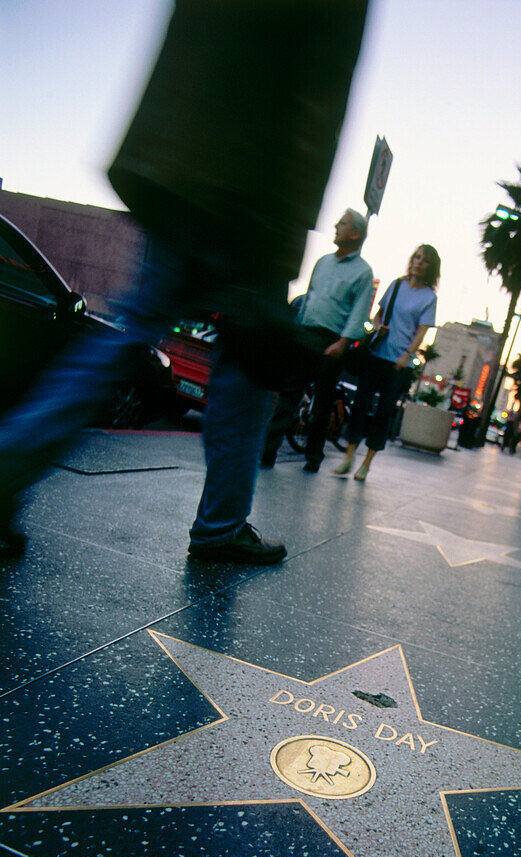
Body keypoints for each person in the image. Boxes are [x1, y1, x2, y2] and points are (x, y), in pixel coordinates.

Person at [0, 0, 369, 561]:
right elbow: (318, 95)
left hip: (177, 157)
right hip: (250, 191)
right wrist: (282, 234)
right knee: (246, 368)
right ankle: (221, 524)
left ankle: (9, 460)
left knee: (130, 329)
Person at [261, 209, 373, 473]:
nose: (336, 226)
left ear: (355, 233)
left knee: (322, 404)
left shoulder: (363, 273)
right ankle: (267, 452)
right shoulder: (323, 262)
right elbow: (309, 299)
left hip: (332, 342)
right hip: (305, 335)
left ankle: (313, 457)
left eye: (342, 224)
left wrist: (342, 343)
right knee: (289, 395)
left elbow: (359, 312)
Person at [334, 244, 440, 481]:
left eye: (424, 261)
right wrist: (377, 325)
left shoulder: (429, 297)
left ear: (431, 268)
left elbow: (422, 332)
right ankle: (348, 457)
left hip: (399, 363)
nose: (419, 263)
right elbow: (378, 314)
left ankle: (367, 463)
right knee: (360, 403)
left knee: (384, 412)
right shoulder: (396, 285)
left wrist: (407, 355)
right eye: (417, 258)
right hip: (377, 354)